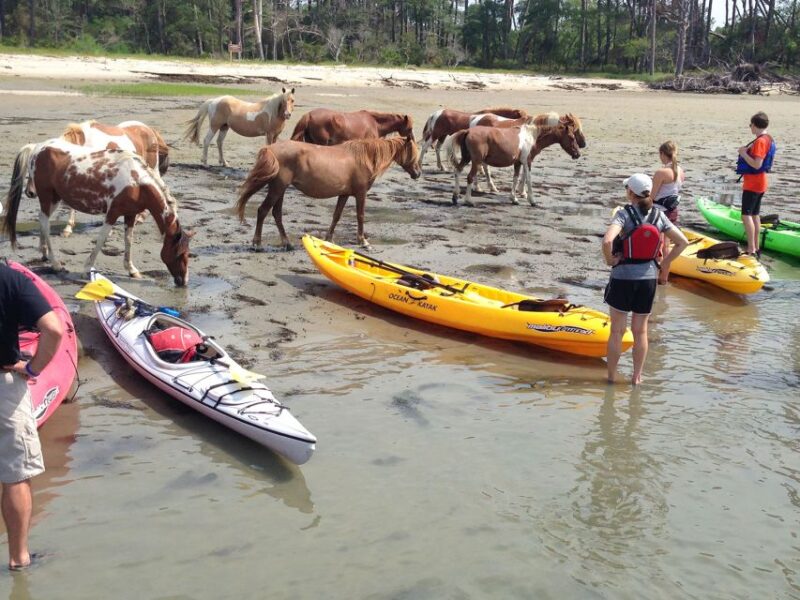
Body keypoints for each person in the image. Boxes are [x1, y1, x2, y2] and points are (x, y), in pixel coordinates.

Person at [1, 262, 63, 571]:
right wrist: (33, 368)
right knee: (15, 476)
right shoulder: (11, 280)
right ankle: (19, 559)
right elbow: (53, 329)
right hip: (4, 389)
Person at [602, 174, 688, 386]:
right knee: (641, 331)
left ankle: (611, 377)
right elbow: (682, 242)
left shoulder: (623, 214)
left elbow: (607, 241)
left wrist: (610, 260)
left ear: (630, 193)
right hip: (648, 279)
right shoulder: (659, 216)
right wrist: (664, 264)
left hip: (622, 278)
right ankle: (637, 377)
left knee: (616, 331)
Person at [737, 111, 774, 256]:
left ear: (755, 125)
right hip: (761, 183)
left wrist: (743, 153)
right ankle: (756, 247)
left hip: (754, 183)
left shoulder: (760, 141)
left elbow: (757, 164)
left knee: (746, 216)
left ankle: (751, 249)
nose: (750, 127)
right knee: (754, 214)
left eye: (750, 125)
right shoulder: (768, 138)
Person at [651, 141, 685, 258]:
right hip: (672, 210)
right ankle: (664, 276)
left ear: (662, 154)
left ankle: (655, 271)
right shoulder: (680, 170)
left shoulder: (661, 172)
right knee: (666, 245)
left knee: (657, 244)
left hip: (659, 212)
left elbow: (652, 196)